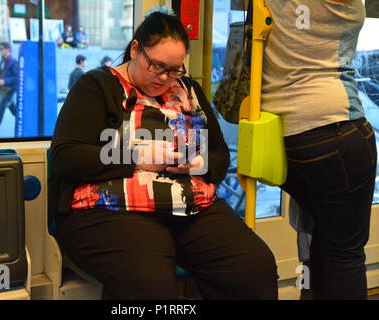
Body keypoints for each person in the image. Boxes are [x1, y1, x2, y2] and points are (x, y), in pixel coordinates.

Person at [49, 11, 278, 300]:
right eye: (157, 66)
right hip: (113, 210)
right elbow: (66, 157)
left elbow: (219, 156)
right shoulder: (97, 86)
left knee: (254, 267)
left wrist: (197, 163)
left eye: (174, 70)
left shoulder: (189, 91)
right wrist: (137, 158)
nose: (164, 78)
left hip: (190, 207)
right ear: (135, 50)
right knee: (147, 282)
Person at [261, 0, 377, 299]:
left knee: (323, 242)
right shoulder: (346, 7)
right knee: (345, 254)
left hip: (284, 138)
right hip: (336, 128)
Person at [0, 42, 18, 138]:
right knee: (15, 112)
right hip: (4, 91)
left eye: (1, 49)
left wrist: (5, 81)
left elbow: (17, 78)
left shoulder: (13, 62)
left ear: (8, 49)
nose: (0, 51)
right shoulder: (3, 62)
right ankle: (28, 125)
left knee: (0, 110)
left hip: (10, 91)